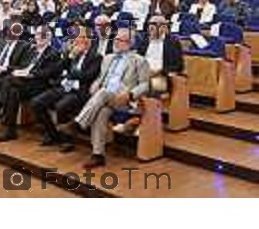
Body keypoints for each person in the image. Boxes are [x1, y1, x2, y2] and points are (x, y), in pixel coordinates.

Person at [59, 28, 150, 168]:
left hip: (123, 99)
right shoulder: (108, 58)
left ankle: (77, 124)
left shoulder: (140, 61)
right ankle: (98, 155)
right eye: (115, 39)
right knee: (101, 111)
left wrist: (130, 94)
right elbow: (101, 78)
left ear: (129, 43)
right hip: (105, 98)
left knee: (102, 93)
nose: (116, 42)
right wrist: (95, 85)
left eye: (120, 40)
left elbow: (145, 85)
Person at [30, 30, 102, 146]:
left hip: (79, 91)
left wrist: (69, 74)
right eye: (77, 38)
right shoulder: (73, 54)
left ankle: (67, 140)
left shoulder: (96, 57)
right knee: (36, 103)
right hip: (65, 86)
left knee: (61, 106)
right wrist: (70, 57)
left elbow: (87, 76)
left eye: (82, 38)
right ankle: (53, 134)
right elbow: (59, 68)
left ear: (88, 40)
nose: (78, 41)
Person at [0, 26, 61, 142]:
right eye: (37, 34)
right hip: (26, 83)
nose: (38, 37)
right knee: (13, 91)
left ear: (49, 37)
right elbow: (23, 66)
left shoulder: (52, 53)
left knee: (9, 80)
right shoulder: (32, 50)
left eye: (42, 35)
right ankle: (10, 130)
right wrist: (19, 71)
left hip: (40, 84)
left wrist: (31, 74)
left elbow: (49, 73)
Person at [136, 16, 184, 96]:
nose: (152, 28)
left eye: (156, 25)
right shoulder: (144, 41)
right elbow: (137, 58)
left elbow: (178, 65)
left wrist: (159, 71)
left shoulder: (173, 43)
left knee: (148, 86)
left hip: (161, 75)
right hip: (142, 73)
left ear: (164, 27)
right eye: (151, 25)